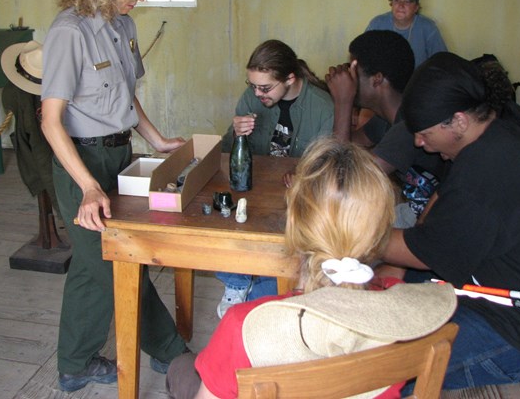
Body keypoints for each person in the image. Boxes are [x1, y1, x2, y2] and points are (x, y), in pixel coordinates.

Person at [164, 138, 457, 399]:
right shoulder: (401, 312)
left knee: (182, 368)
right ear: (380, 233)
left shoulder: (246, 327)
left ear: (295, 226)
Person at [379, 52, 520, 391]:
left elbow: (424, 251)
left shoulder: (490, 167)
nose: (419, 143)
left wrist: (350, 235)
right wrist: (400, 264)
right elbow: (441, 203)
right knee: (383, 306)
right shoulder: (501, 127)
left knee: (382, 368)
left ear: (459, 121)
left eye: (423, 133)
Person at [40, 0, 189, 393]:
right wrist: (87, 187)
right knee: (106, 266)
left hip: (119, 156)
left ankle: (107, 359)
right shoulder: (69, 32)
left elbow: (126, 96)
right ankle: (152, 355)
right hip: (81, 165)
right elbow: (50, 122)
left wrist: (156, 138)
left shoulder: (124, 26)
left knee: (112, 263)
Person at [217, 39, 334, 318]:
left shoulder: (321, 106)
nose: (257, 94)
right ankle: (236, 283)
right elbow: (225, 153)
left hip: (296, 196)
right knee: (224, 218)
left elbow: (327, 164)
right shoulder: (250, 99)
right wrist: (236, 133)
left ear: (290, 78)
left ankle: (261, 295)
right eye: (252, 85)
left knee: (288, 244)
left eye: (265, 88)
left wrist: (305, 173)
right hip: (254, 189)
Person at [326, 30, 449, 227]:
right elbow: (344, 149)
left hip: (435, 223)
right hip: (414, 211)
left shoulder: (408, 128)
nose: (348, 78)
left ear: (377, 79)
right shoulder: (386, 118)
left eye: (353, 71)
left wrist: (343, 102)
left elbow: (342, 182)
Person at [365, 0, 447, 68]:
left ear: (416, 7)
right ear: (391, 4)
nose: (401, 5)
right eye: (397, 0)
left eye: (407, 2)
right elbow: (363, 54)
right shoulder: (377, 24)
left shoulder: (428, 28)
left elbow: (441, 62)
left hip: (416, 80)